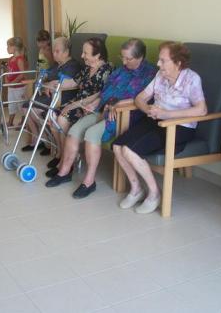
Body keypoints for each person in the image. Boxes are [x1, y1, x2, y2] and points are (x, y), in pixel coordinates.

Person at [45, 38, 157, 199]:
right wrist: (96, 102)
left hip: (125, 115)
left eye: (128, 58)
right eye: (122, 57)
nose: (124, 62)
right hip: (103, 108)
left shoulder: (150, 73)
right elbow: (105, 91)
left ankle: (89, 182)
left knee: (91, 134)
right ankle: (64, 172)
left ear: (140, 57)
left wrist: (115, 104)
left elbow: (141, 98)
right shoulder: (121, 70)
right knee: (74, 131)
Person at [112, 41, 207, 214]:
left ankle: (154, 193)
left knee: (129, 151)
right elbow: (140, 98)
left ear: (178, 62)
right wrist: (149, 109)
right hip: (155, 120)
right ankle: (136, 189)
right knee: (118, 146)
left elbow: (201, 110)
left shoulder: (191, 79)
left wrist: (167, 114)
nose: (158, 64)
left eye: (163, 61)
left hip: (178, 127)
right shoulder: (160, 75)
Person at [44, 38, 112, 186]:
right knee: (53, 117)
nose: (82, 56)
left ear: (97, 55)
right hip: (77, 103)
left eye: (85, 53)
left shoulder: (106, 70)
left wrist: (75, 104)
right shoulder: (88, 68)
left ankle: (65, 163)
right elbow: (74, 82)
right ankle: (63, 158)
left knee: (61, 120)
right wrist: (54, 84)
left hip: (90, 107)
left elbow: (101, 94)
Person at [21, 37, 82, 153]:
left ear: (66, 52)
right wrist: (44, 79)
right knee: (25, 107)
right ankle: (39, 139)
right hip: (50, 96)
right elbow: (45, 75)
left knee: (34, 108)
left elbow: (64, 83)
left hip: (62, 98)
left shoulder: (72, 66)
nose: (54, 54)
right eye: (53, 51)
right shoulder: (56, 65)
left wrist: (49, 84)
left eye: (57, 51)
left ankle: (47, 141)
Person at [6, 37, 27, 127]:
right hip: (11, 87)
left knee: (21, 105)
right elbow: (8, 72)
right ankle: (10, 121)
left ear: (14, 47)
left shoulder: (19, 59)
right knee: (11, 104)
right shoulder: (10, 59)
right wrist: (7, 80)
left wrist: (13, 82)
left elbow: (22, 74)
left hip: (19, 87)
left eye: (8, 46)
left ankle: (23, 122)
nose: (7, 48)